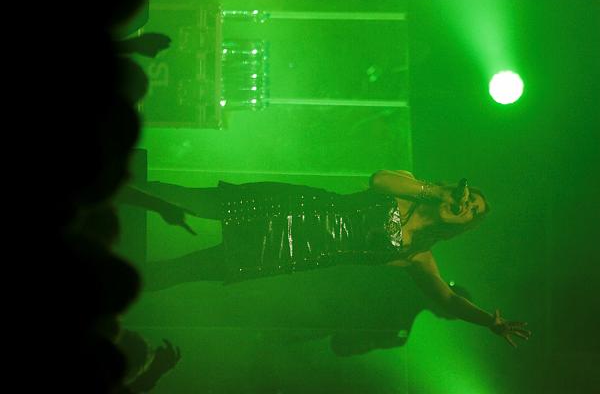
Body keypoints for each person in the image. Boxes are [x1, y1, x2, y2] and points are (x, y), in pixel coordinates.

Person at [136, 170, 531, 347]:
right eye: (470, 200)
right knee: (189, 200)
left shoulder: (417, 255)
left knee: (186, 270)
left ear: (464, 225)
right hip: (289, 206)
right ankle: (120, 187)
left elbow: (447, 298)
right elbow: (379, 180)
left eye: (473, 212)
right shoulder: (411, 189)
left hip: (288, 252)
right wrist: (434, 193)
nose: (466, 207)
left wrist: (488, 321)